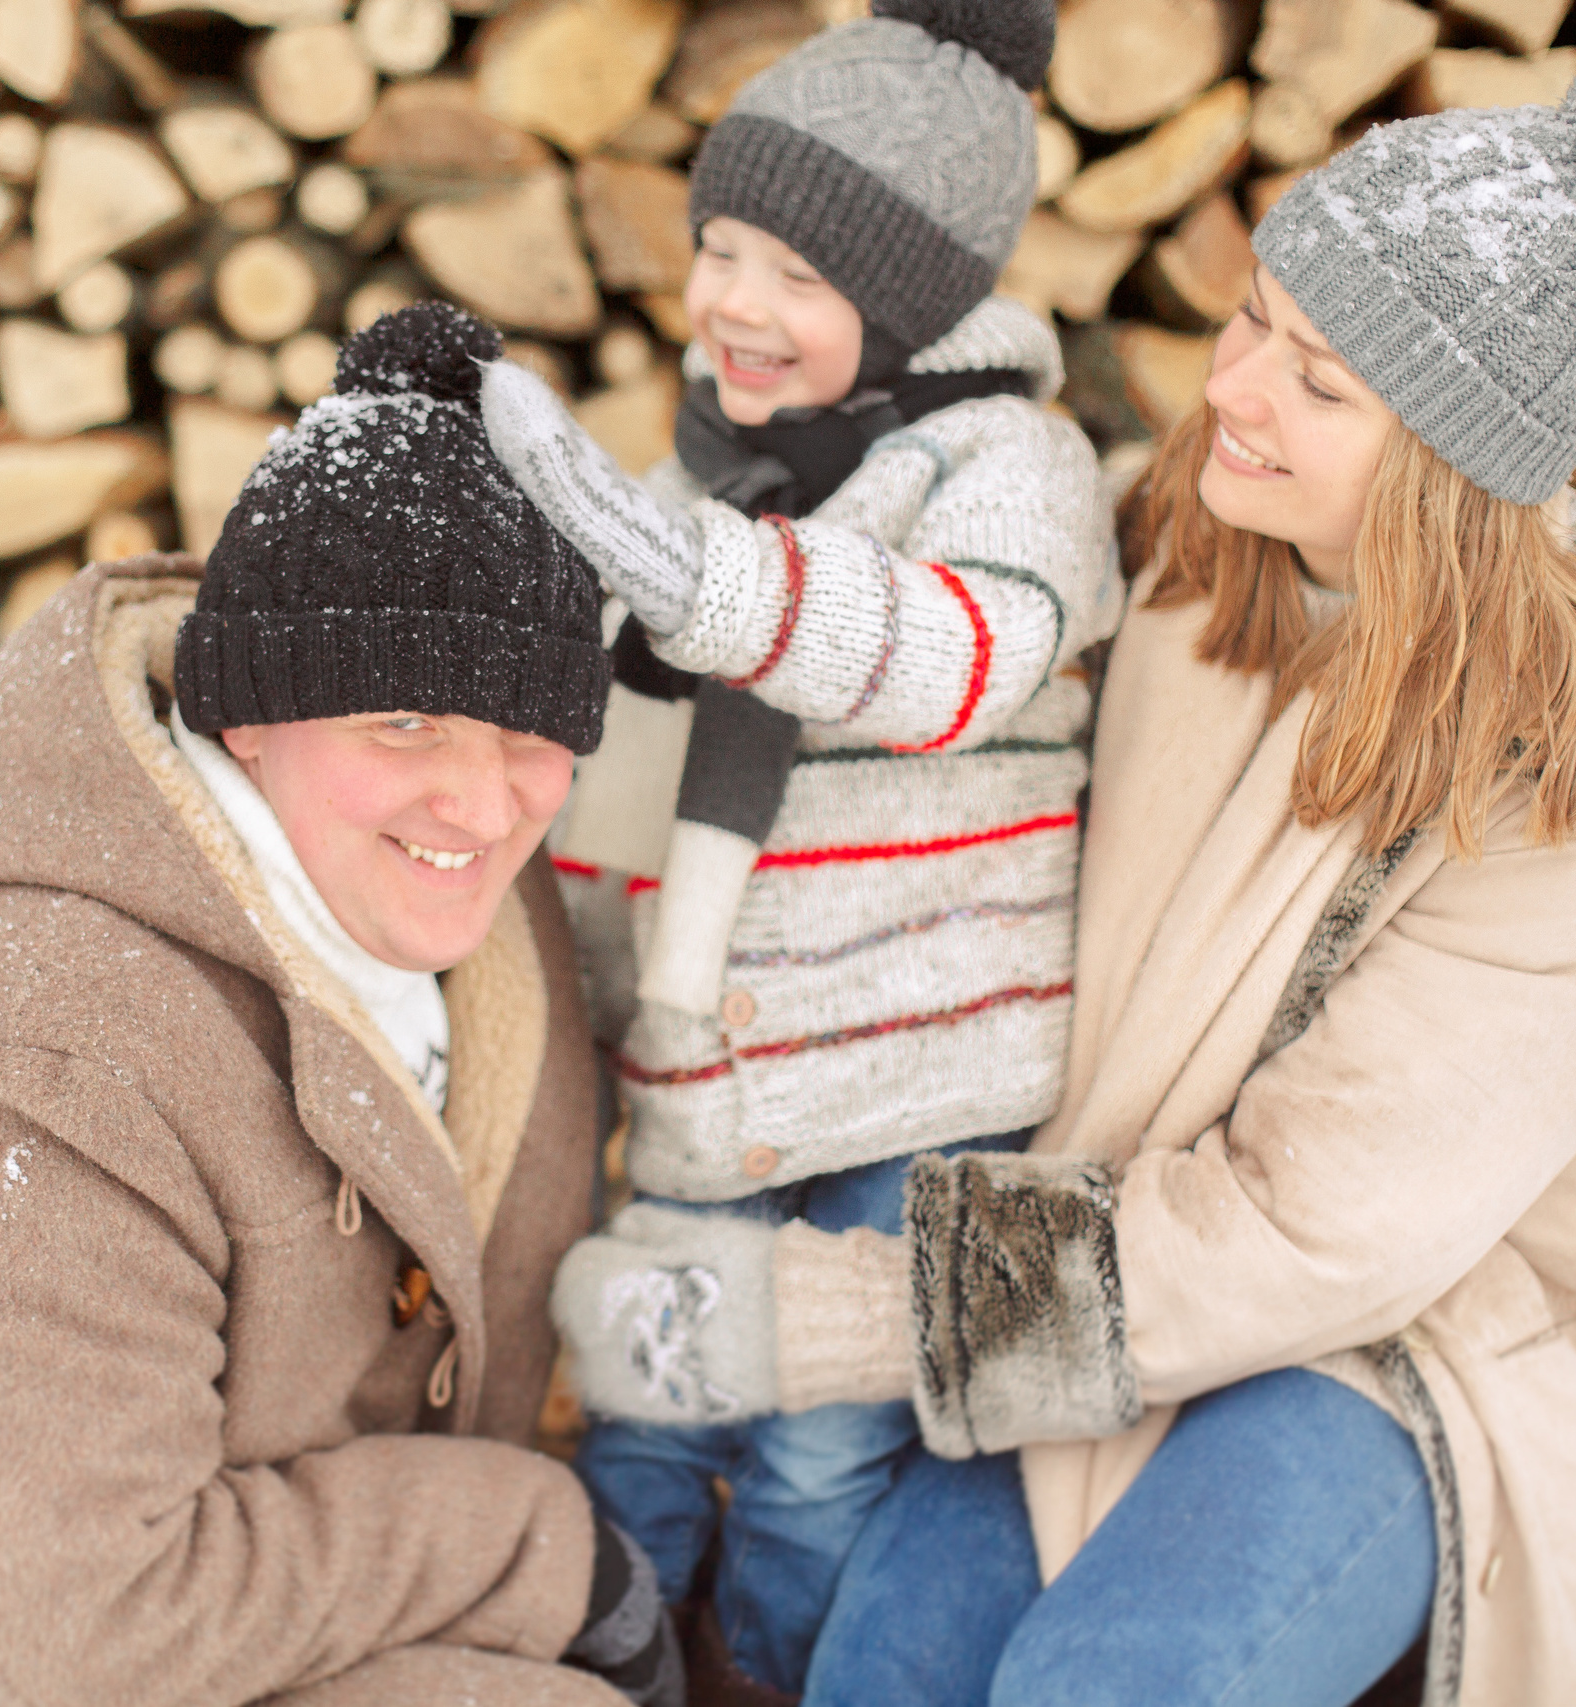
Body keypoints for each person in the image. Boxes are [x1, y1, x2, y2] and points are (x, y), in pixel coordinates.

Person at [545, 53, 1576, 1707]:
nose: (1236, 387)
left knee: (1110, 1685)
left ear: (1455, 466)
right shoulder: (1159, 550)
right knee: (883, 1669)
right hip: (1075, 1255)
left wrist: (823, 1314)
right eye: (1252, 316)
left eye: (1320, 381)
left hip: (1385, 1340)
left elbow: (1310, 1234)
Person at [0, 305, 686, 1707]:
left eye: (527, 728)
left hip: (261, 1605)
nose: (484, 807)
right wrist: (536, 1555)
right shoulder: (32, 1047)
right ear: (246, 714)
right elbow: (98, 1631)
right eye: (406, 722)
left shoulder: (476, 921)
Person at [477, 0, 1114, 1692]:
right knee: (644, 1390)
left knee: (821, 1453)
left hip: (924, 1067)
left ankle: (765, 1675)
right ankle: (607, 1666)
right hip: (721, 1052)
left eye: (801, 277)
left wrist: (696, 581)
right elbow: (615, 743)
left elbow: (951, 657)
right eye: (720, 250)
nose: (737, 305)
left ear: (907, 305)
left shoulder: (1013, 465)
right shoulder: (706, 470)